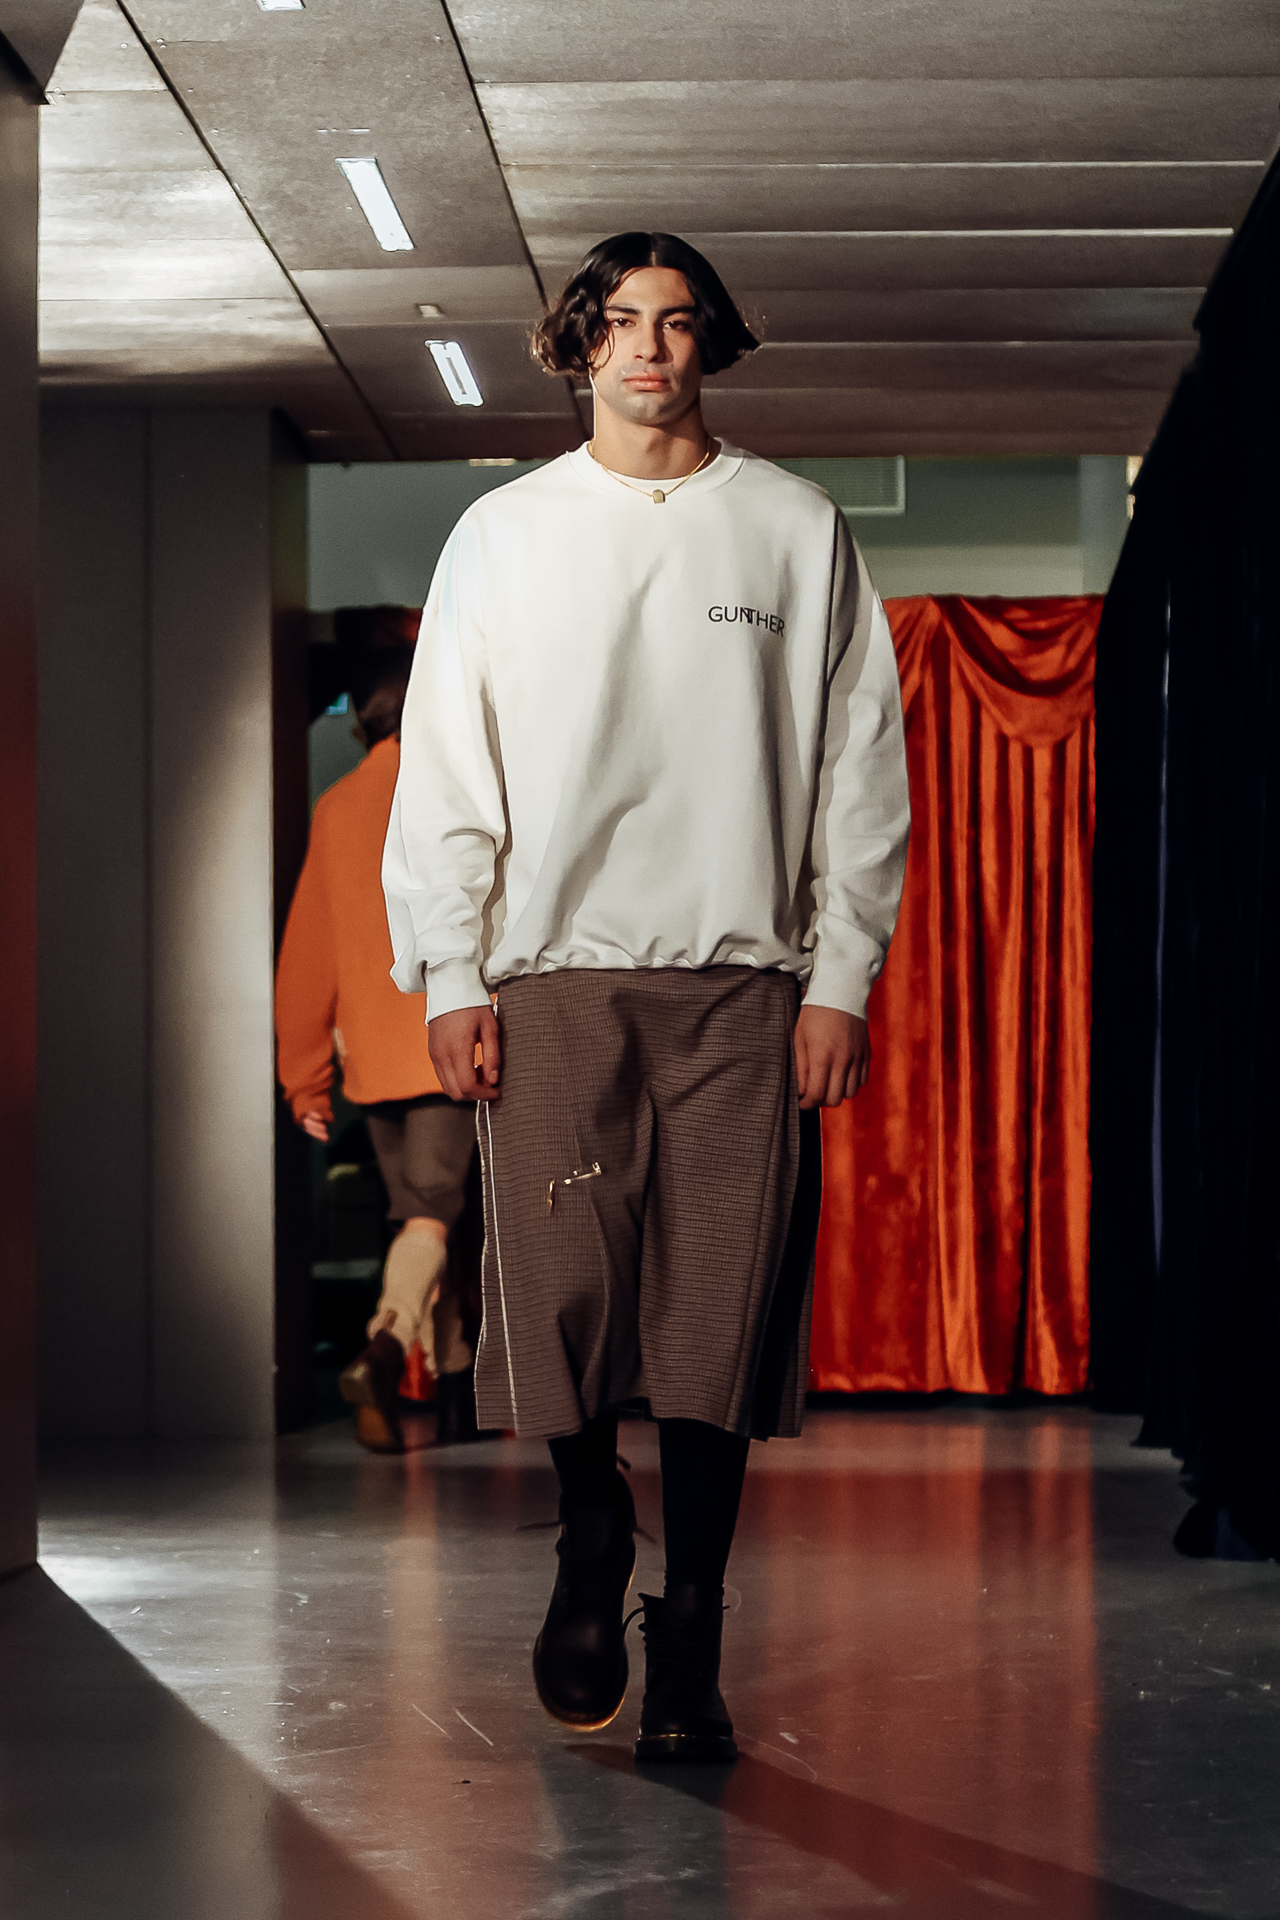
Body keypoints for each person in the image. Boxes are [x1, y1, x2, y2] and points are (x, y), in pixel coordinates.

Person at [383, 232, 911, 1760]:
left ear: (710, 344)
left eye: (677, 323)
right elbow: (448, 767)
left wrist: (844, 975)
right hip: (554, 981)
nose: (649, 350)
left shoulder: (794, 526)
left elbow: (860, 768)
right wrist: (451, 969)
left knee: (715, 1323)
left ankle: (691, 1641)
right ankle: (591, 1524)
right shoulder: (504, 535)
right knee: (557, 1298)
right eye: (620, 322)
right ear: (578, 345)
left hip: (747, 989)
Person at [276, 608, 482, 1453]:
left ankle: (460, 1399)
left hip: (373, 1063)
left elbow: (307, 955)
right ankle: (385, 1344)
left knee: (429, 1219)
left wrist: (305, 1080)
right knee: (436, 1216)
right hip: (451, 1049)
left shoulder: (337, 806)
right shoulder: (459, 793)